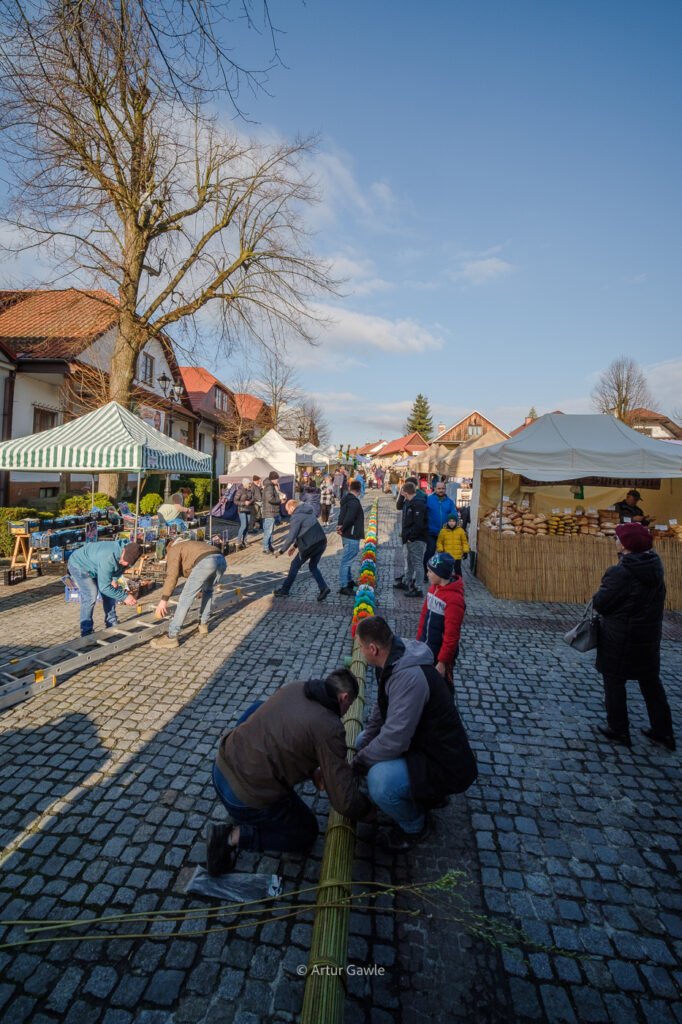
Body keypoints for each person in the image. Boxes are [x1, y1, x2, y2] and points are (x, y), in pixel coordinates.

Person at [207, 670, 375, 872]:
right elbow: (344, 801)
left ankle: (245, 810)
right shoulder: (330, 727)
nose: (347, 711)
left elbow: (287, 735)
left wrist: (311, 770)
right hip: (243, 799)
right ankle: (232, 837)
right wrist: (369, 811)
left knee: (260, 706)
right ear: (344, 697)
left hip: (219, 768)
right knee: (306, 832)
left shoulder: (295, 687)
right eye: (349, 706)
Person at [353, 616, 477, 850]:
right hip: (420, 744)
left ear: (373, 648)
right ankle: (420, 795)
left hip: (442, 761)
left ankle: (416, 826)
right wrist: (364, 747)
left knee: (379, 782)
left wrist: (359, 764)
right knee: (362, 741)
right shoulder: (394, 657)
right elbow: (381, 712)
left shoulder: (408, 677)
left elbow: (395, 739)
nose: (359, 652)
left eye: (360, 646)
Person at [592, 522, 675, 750]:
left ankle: (618, 730)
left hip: (621, 637)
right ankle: (663, 731)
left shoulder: (621, 572)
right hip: (648, 635)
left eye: (618, 538)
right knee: (650, 682)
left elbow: (601, 603)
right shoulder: (655, 566)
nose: (615, 541)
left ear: (627, 545)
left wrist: (600, 590)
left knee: (614, 681)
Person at [151, 538, 227, 649]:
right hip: (221, 559)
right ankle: (203, 625)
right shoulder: (190, 544)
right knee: (207, 592)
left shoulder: (174, 549)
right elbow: (192, 566)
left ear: (168, 548)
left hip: (206, 562)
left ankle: (172, 636)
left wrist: (163, 600)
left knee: (185, 598)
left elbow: (172, 576)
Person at [68, 540, 142, 636]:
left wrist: (114, 580)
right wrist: (125, 597)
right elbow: (104, 588)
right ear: (123, 551)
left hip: (97, 565)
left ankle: (111, 623)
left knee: (111, 591)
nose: (123, 564)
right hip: (79, 565)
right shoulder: (108, 557)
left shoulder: (129, 553)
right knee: (91, 594)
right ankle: (86, 631)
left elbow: (120, 568)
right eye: (123, 561)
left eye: (126, 563)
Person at [417, 552, 466, 689]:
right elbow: (424, 617)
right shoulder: (433, 589)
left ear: (441, 574)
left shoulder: (454, 600)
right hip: (427, 648)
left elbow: (452, 635)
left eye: (430, 571)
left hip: (439, 654)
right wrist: (419, 641)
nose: (427, 574)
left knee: (443, 687)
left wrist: (442, 662)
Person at [273, 499, 330, 601]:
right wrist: (295, 547)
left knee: (294, 565)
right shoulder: (308, 510)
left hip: (309, 545)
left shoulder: (296, 516)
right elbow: (305, 530)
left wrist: (282, 551)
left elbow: (292, 535)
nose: (288, 513)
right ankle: (323, 588)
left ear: (292, 507)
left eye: (288, 510)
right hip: (321, 542)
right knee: (313, 566)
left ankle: (285, 590)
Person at [398, 481, 429, 597]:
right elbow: (399, 506)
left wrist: (411, 537)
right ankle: (408, 582)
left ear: (405, 492)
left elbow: (419, 524)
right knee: (410, 562)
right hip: (410, 538)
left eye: (402, 491)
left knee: (417, 563)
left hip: (417, 539)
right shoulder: (408, 501)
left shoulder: (418, 504)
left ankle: (418, 588)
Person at [425, 481, 458, 578]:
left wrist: (451, 524)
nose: (441, 490)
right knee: (430, 552)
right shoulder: (429, 500)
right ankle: (426, 572)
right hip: (431, 532)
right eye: (439, 489)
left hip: (445, 533)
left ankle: (443, 573)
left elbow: (454, 514)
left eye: (443, 488)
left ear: (445, 489)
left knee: (445, 555)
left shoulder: (449, 502)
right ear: (435, 489)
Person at [337, 479, 365, 596]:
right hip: (351, 534)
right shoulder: (354, 502)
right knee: (346, 561)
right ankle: (344, 585)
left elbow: (341, 515)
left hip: (347, 534)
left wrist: (340, 526)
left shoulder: (347, 499)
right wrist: (342, 528)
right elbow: (349, 518)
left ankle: (348, 581)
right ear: (359, 490)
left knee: (347, 560)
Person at [261, 470, 283, 554]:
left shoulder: (271, 486)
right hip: (269, 512)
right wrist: (279, 500)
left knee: (270, 532)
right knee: (268, 532)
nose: (278, 480)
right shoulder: (269, 487)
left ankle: (269, 546)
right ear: (273, 479)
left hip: (271, 512)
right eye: (277, 479)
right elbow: (270, 499)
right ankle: (265, 548)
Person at [234, 477, 255, 549]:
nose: (250, 485)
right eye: (249, 483)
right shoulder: (239, 491)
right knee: (244, 525)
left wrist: (250, 502)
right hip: (242, 509)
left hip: (248, 509)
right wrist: (243, 503)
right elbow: (235, 501)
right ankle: (238, 541)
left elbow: (253, 498)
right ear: (245, 484)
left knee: (247, 525)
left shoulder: (250, 490)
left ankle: (245, 540)